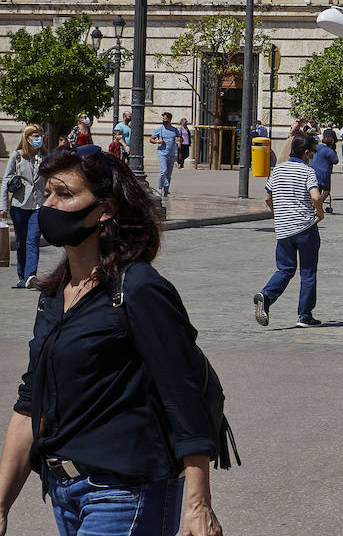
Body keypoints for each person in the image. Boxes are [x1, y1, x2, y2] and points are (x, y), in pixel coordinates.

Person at [0, 147, 224, 536]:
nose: (48, 205)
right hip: (65, 491)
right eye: (47, 193)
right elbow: (30, 402)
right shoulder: (55, 295)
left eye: (64, 194)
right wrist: (1, 503)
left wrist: (198, 504)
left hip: (127, 491)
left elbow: (183, 396)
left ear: (104, 209)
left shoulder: (138, 288)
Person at [255, 134, 326, 328]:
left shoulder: (277, 170)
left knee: (285, 269)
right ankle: (305, 316)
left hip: (284, 229)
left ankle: (266, 296)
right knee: (308, 271)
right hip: (305, 227)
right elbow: (316, 197)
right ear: (305, 153)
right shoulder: (307, 171)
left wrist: (279, 214)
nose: (312, 156)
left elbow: (268, 198)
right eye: (311, 152)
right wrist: (320, 213)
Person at [2, 126, 46, 289]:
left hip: (38, 205)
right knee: (21, 242)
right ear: (27, 138)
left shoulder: (45, 156)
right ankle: (22, 276)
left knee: (33, 240)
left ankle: (31, 276)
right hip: (19, 205)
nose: (39, 138)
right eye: (35, 136)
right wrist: (3, 206)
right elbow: (6, 181)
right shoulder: (17, 156)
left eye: (41, 136)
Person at [150, 112, 179, 200]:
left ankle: (166, 191)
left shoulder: (174, 130)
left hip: (171, 154)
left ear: (170, 119)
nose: (163, 121)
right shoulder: (160, 129)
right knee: (164, 170)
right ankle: (159, 188)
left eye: (165, 119)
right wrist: (158, 142)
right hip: (162, 153)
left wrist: (179, 141)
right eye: (162, 119)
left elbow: (178, 138)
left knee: (169, 174)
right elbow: (151, 139)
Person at [311, 128, 340, 214]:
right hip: (324, 173)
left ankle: (315, 204)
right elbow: (336, 161)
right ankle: (318, 203)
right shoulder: (330, 151)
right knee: (326, 190)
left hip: (313, 171)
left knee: (317, 189)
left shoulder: (317, 147)